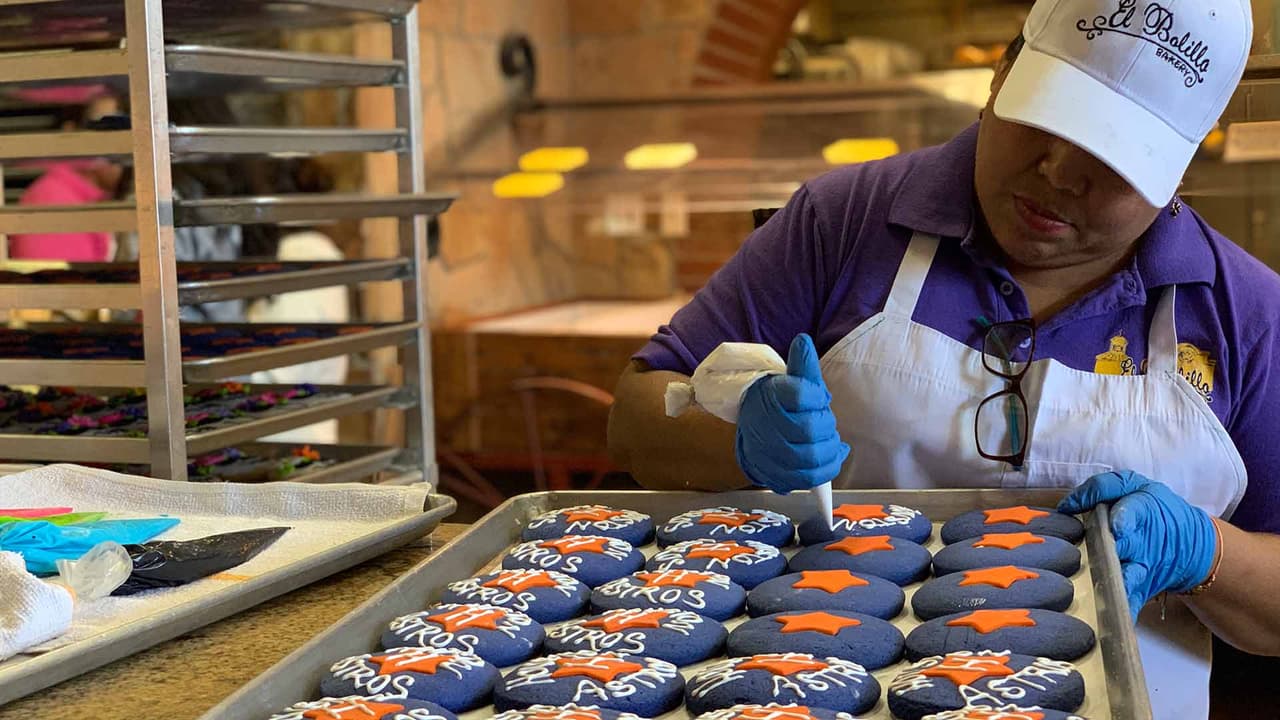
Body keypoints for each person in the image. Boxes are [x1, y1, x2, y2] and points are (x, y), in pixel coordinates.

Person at [608, 0, 1277, 716]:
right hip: (818, 688)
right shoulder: (842, 224)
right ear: (1000, 73)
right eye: (1045, 118)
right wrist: (738, 443)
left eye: (1111, 157)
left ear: (1177, 168)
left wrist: (1206, 553)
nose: (1056, 170)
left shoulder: (1246, 315)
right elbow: (638, 418)